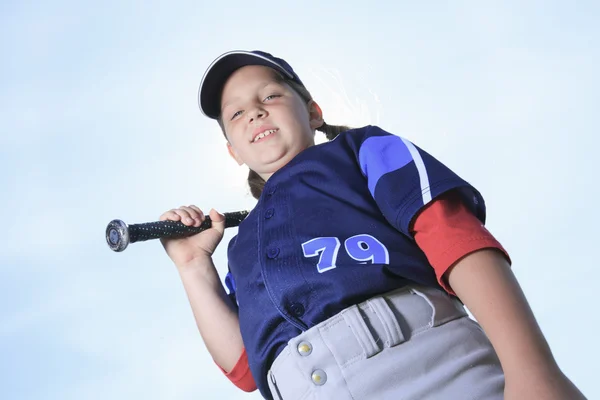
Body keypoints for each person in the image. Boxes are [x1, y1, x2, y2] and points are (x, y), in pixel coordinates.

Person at [159, 50, 586, 399]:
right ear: (232, 151)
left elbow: (455, 238)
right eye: (235, 114)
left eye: (269, 97)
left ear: (313, 112)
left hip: (431, 372)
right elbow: (245, 367)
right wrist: (193, 266)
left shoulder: (361, 150)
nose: (253, 113)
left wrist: (534, 371)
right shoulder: (243, 243)